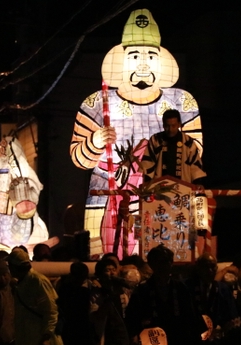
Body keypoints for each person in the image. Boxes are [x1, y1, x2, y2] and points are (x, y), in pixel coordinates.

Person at [69, 8, 203, 256]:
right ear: (120, 59)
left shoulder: (182, 102)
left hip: (166, 196)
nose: (142, 65)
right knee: (108, 255)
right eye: (134, 56)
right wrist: (96, 141)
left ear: (162, 60)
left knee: (166, 254)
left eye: (151, 56)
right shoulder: (97, 103)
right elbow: (78, 158)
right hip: (107, 194)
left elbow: (195, 154)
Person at [141, 108, 207, 185]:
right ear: (163, 125)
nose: (170, 129)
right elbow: (148, 164)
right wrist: (147, 185)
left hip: (183, 186)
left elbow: (195, 166)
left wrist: (197, 184)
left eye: (173, 126)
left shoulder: (188, 142)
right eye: (167, 126)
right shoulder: (155, 140)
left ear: (179, 124)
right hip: (159, 187)